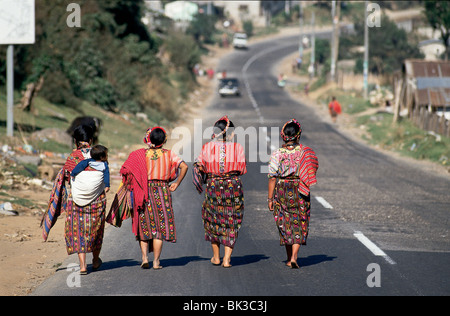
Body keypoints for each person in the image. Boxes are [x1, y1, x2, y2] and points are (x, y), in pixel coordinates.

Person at [108, 127, 188, 270]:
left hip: (143, 192)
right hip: (162, 191)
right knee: (159, 228)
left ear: (149, 139)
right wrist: (176, 183)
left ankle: (144, 258)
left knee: (144, 226)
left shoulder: (140, 155)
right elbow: (185, 167)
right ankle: (156, 262)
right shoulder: (169, 154)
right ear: (164, 140)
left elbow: (127, 170)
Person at [42, 124, 106, 275]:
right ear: (91, 139)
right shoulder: (99, 154)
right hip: (97, 200)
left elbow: (66, 175)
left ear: (76, 140)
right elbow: (105, 172)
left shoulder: (73, 157)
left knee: (78, 231)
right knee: (95, 230)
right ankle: (95, 260)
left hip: (76, 200)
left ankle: (82, 266)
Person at [193, 116, 247, 268]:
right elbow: (242, 169)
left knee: (213, 219)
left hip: (213, 186)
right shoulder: (238, 148)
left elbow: (199, 165)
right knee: (232, 220)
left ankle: (216, 257)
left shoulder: (207, 147)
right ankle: (227, 259)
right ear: (229, 134)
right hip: (233, 186)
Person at [267, 119, 318, 269]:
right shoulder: (305, 152)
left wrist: (270, 198)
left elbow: (272, 177)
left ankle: (290, 257)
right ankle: (294, 256)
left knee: (285, 221)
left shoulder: (277, 153)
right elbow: (313, 167)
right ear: (298, 135)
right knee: (300, 220)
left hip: (282, 188)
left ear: (283, 136)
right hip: (300, 188)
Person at [70, 145, 110, 209]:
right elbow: (106, 175)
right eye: (106, 155)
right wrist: (107, 185)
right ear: (101, 157)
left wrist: (73, 174)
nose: (107, 156)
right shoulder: (104, 165)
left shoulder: (88, 161)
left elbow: (79, 167)